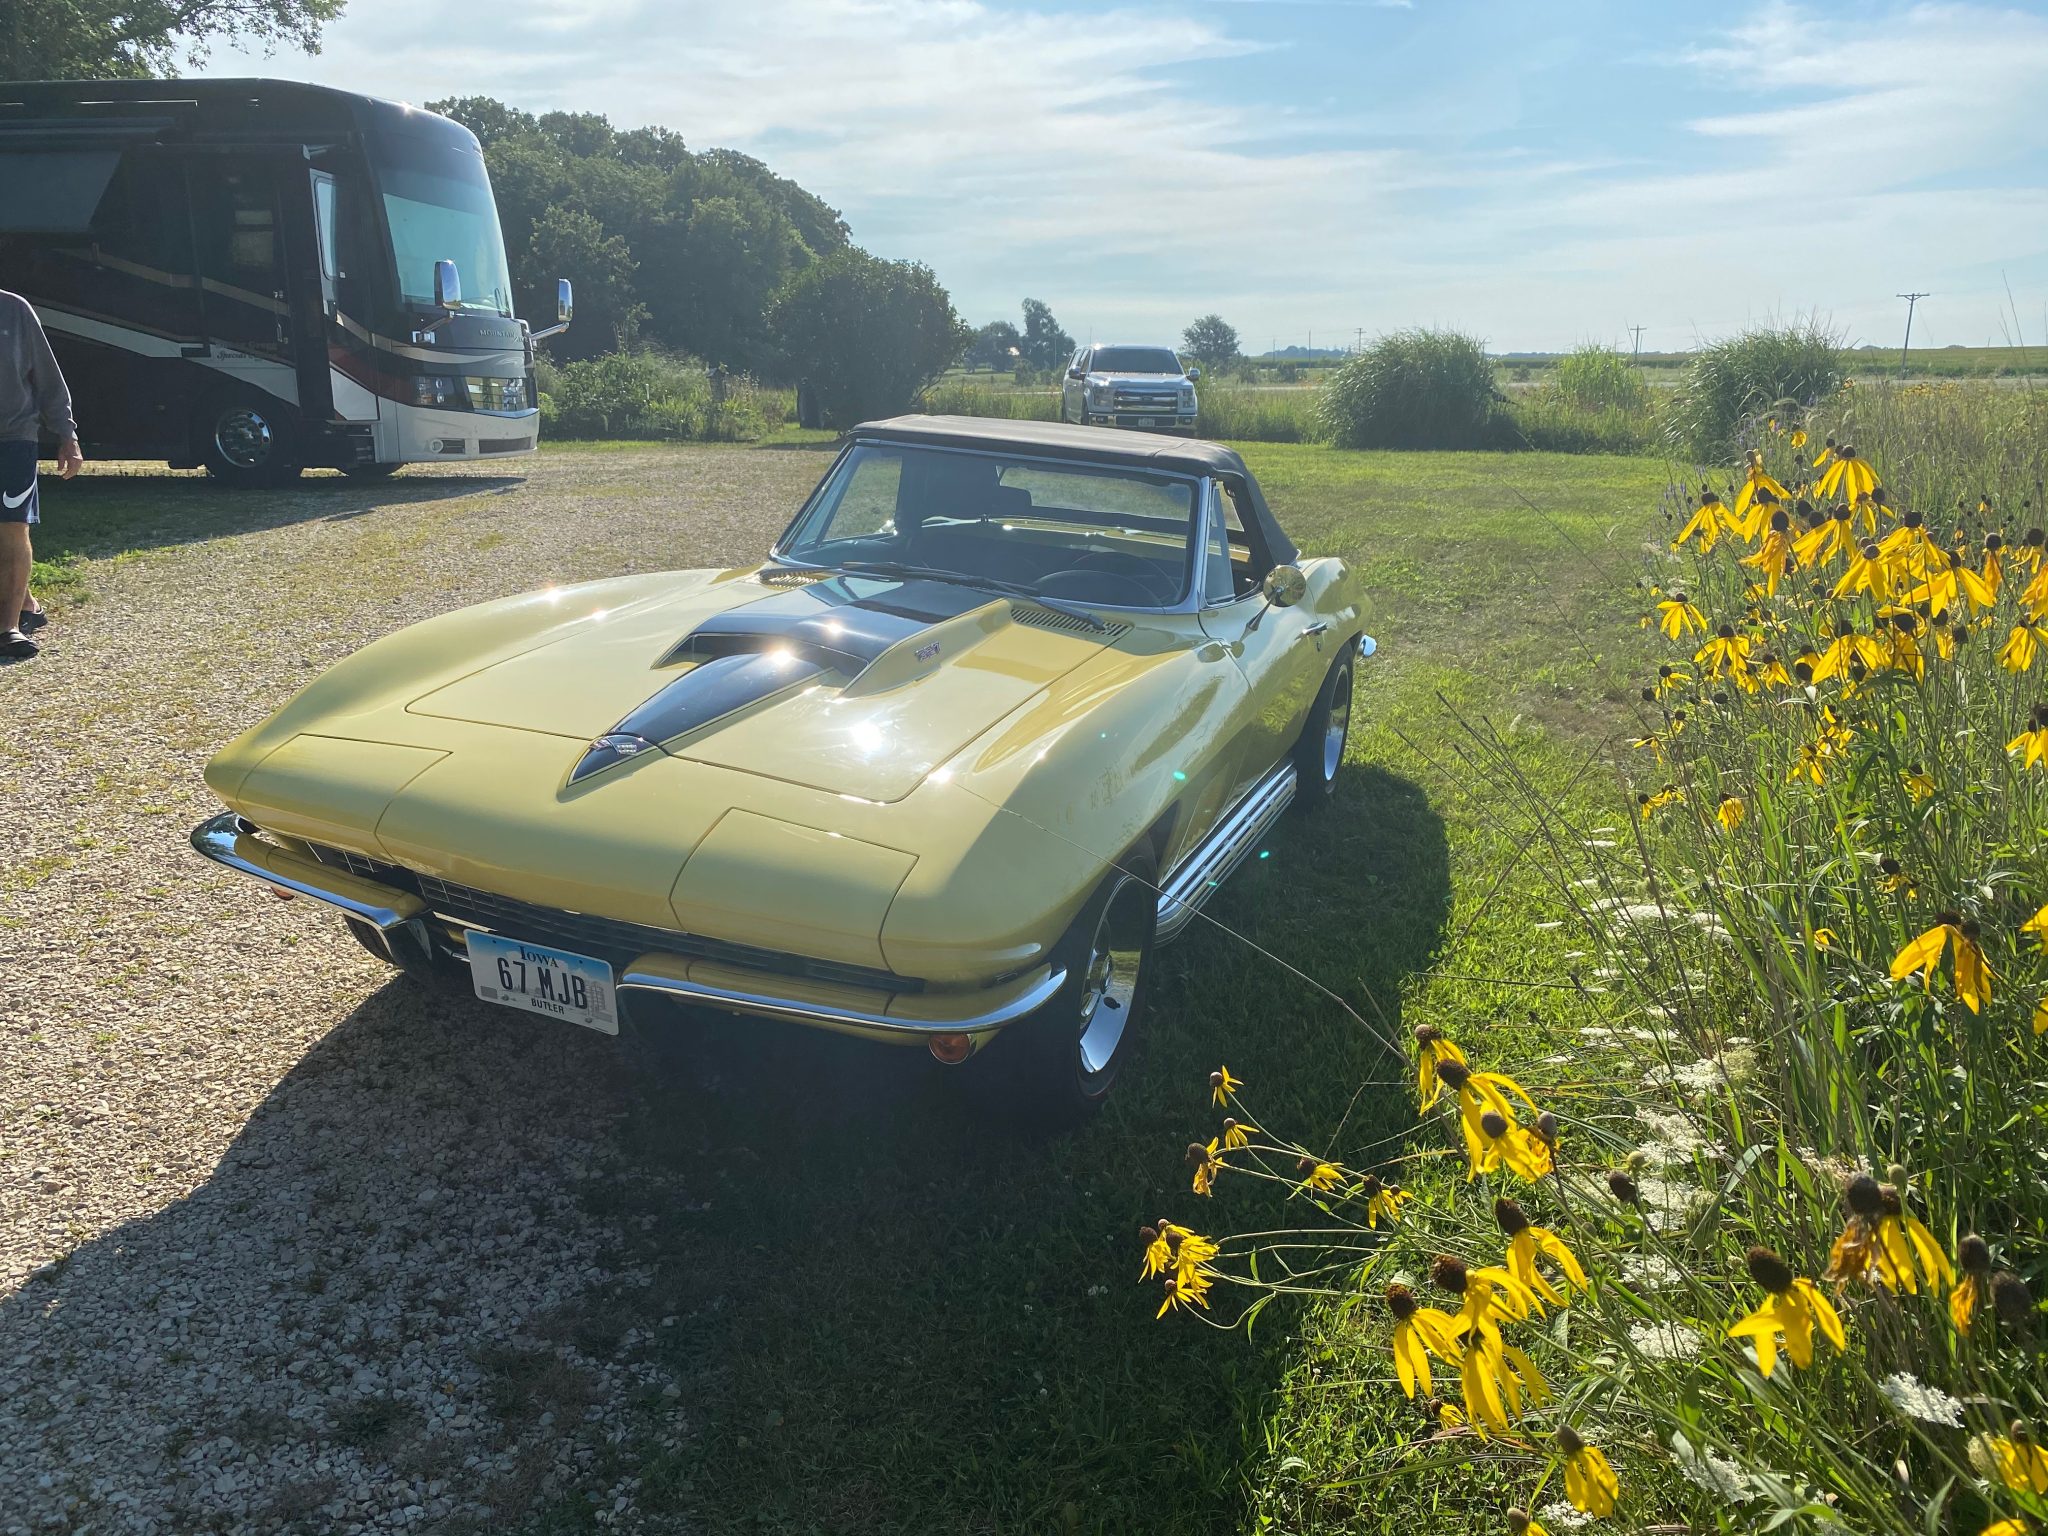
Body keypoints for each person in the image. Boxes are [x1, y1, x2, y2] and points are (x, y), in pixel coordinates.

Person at [1, 288, 83, 661]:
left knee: (11, 528)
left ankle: (8, 629)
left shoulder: (15, 310)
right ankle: (27, 603)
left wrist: (66, 434)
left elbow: (48, 379)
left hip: (12, 438)